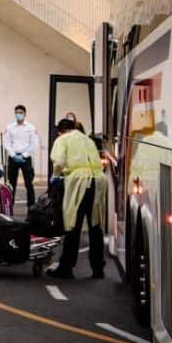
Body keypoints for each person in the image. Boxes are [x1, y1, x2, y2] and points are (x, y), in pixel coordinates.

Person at [47, 118, 107, 280]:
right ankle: (97, 268)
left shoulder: (62, 139)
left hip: (79, 181)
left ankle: (66, 267)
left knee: (72, 223)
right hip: (98, 180)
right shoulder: (87, 139)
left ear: (60, 131)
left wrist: (55, 176)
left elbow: (59, 162)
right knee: (95, 225)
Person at [2, 104, 40, 207]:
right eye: (17, 113)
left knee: (29, 183)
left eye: (21, 113)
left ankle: (31, 207)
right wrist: (13, 155)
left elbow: (34, 143)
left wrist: (24, 155)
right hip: (13, 158)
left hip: (26, 158)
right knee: (11, 184)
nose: (18, 115)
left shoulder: (31, 128)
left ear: (25, 114)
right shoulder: (10, 127)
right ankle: (9, 206)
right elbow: (6, 143)